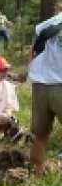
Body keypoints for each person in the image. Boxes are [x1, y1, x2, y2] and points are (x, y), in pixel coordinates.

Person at [27, 11, 62, 172]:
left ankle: (37, 173)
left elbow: (33, 50)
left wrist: (31, 74)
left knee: (41, 136)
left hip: (40, 84)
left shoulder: (49, 22)